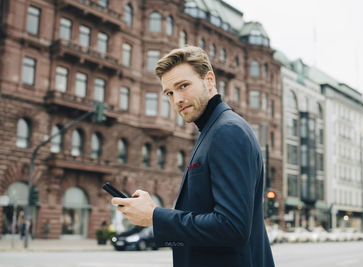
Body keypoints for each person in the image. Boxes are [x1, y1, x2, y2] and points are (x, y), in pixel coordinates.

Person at [112, 46, 275, 267]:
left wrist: (155, 216)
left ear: (209, 80)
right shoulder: (212, 130)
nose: (177, 99)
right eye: (169, 93)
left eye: (183, 86)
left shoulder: (227, 131)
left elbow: (232, 227)